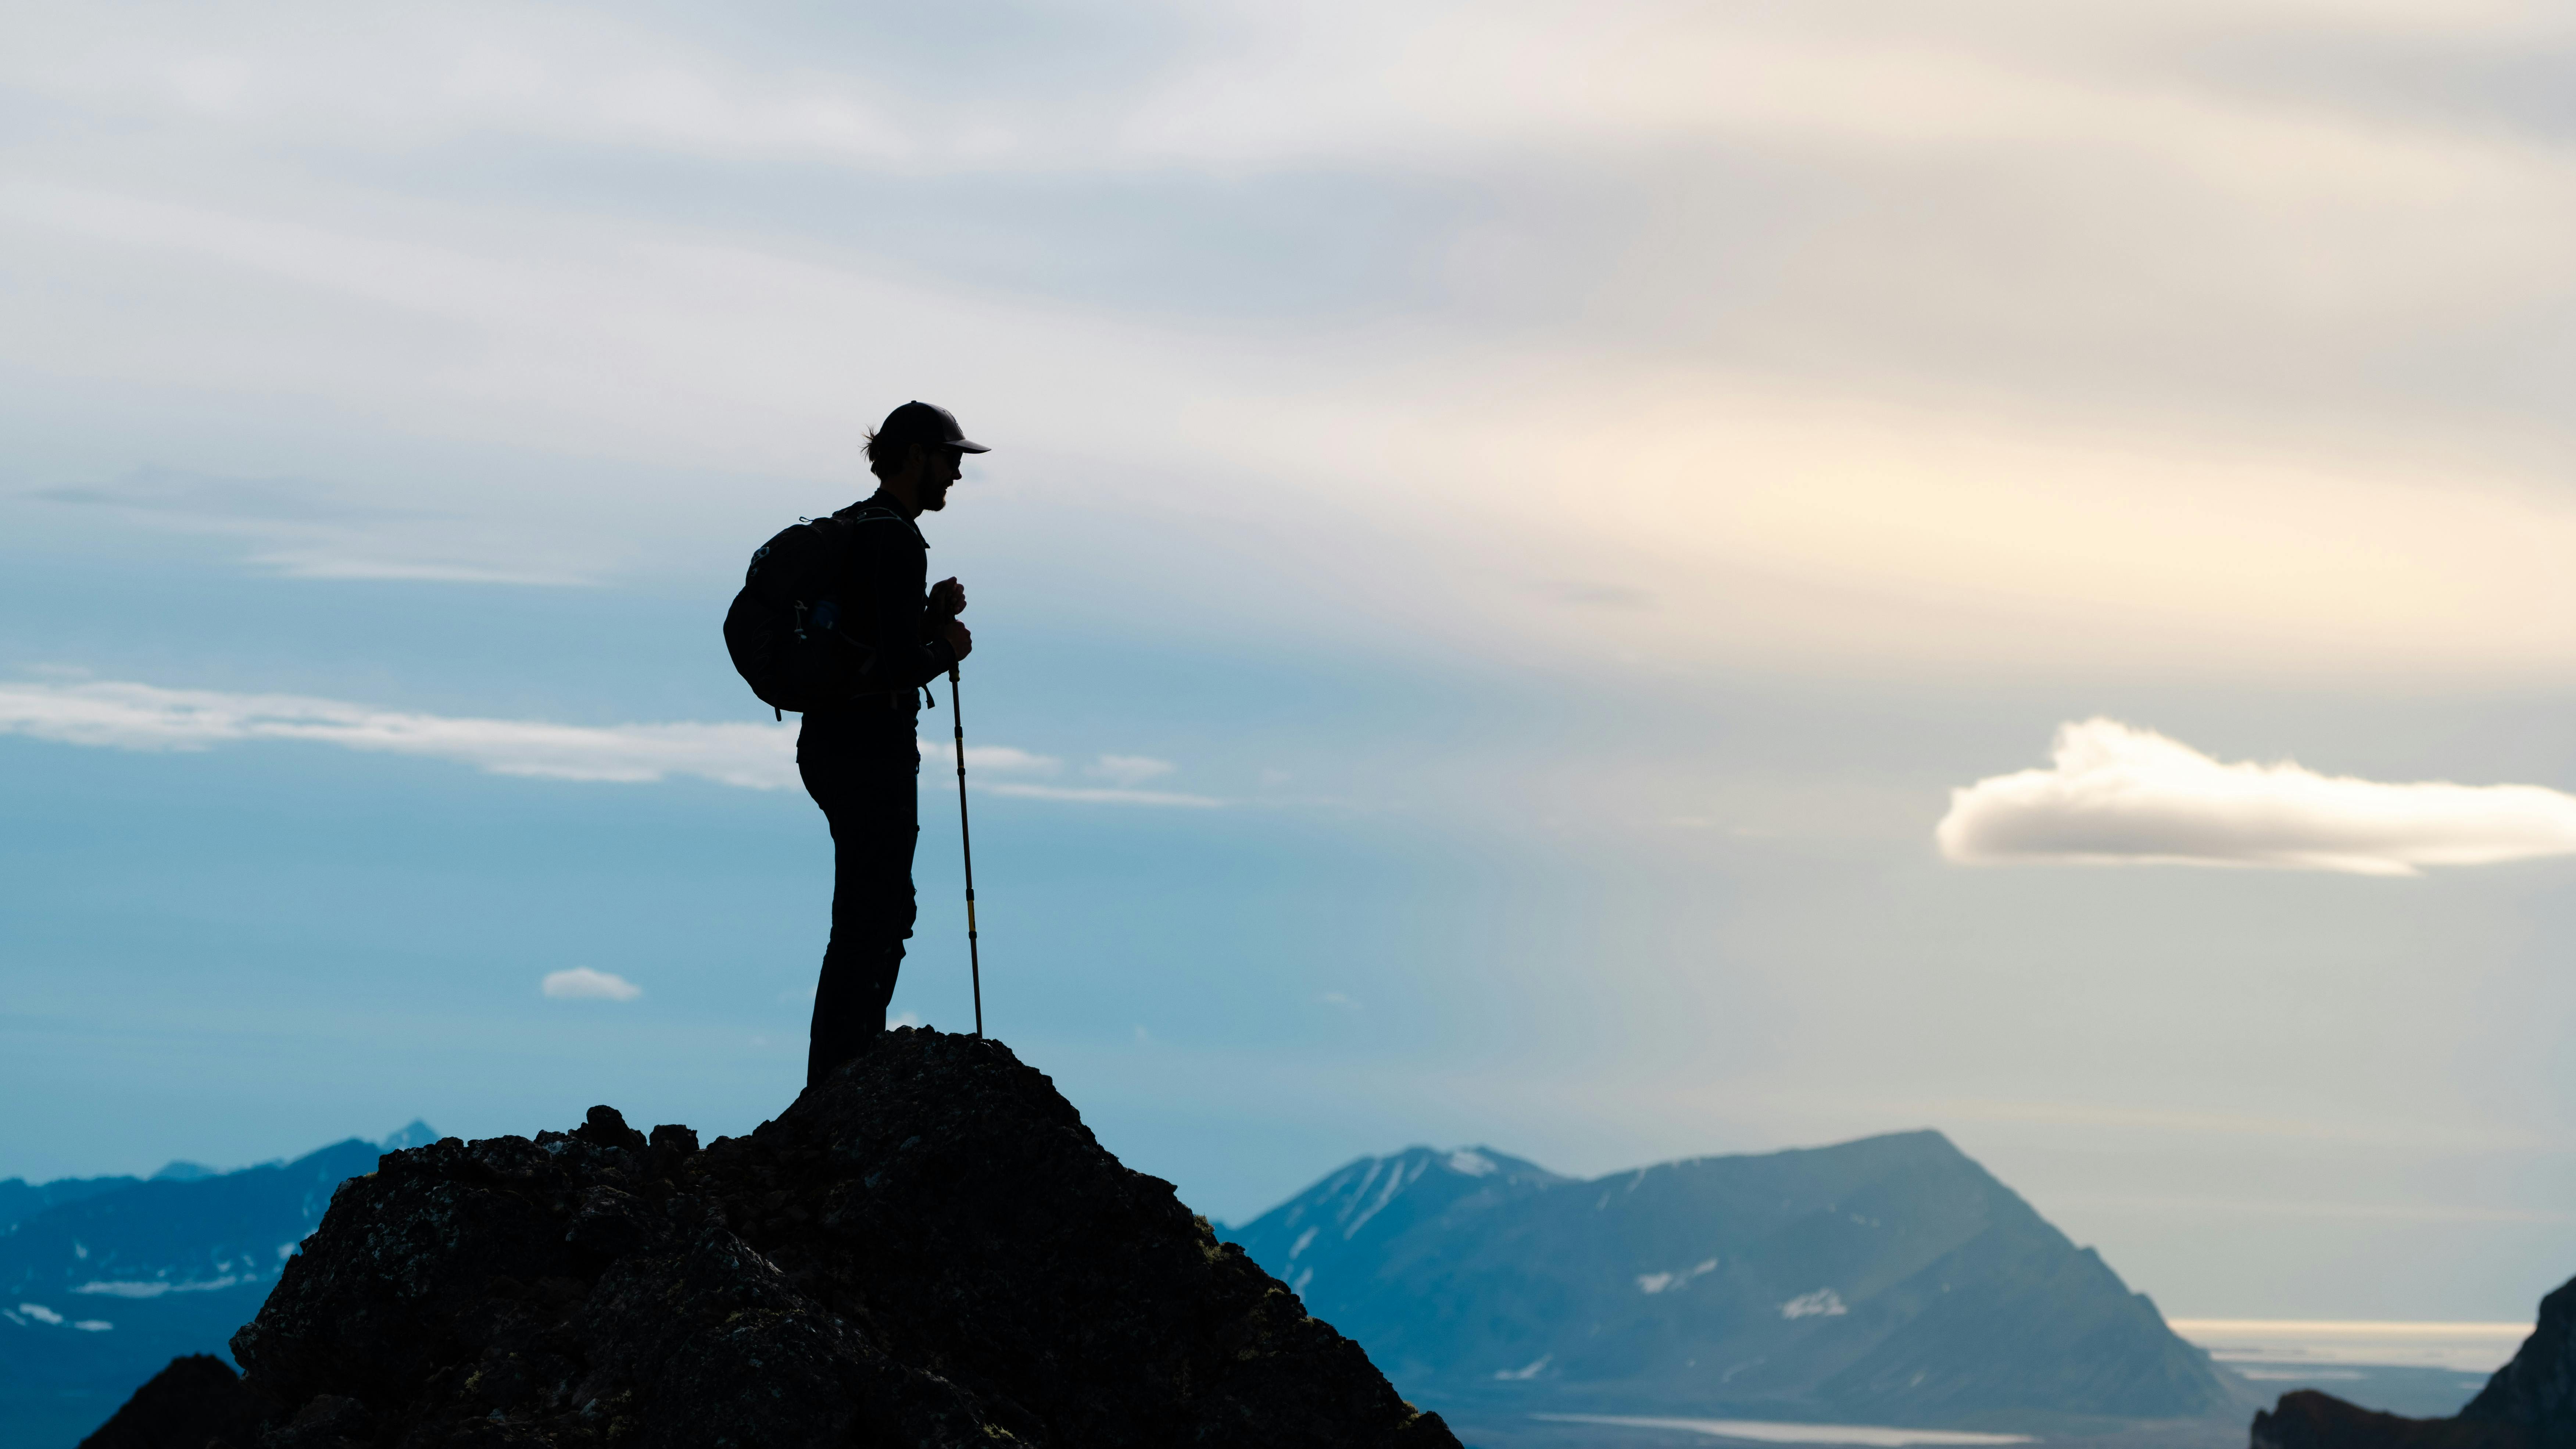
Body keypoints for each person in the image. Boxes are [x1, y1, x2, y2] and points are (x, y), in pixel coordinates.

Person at [799, 400, 984, 1089]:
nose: (958, 475)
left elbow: (874, 643)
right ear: (915, 457)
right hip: (870, 749)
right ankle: (843, 1076)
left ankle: (840, 1070)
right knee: (873, 914)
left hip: (830, 741)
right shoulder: (898, 540)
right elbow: (905, 665)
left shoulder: (862, 527)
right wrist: (949, 644)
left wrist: (928, 618)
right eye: (951, 458)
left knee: (869, 909)